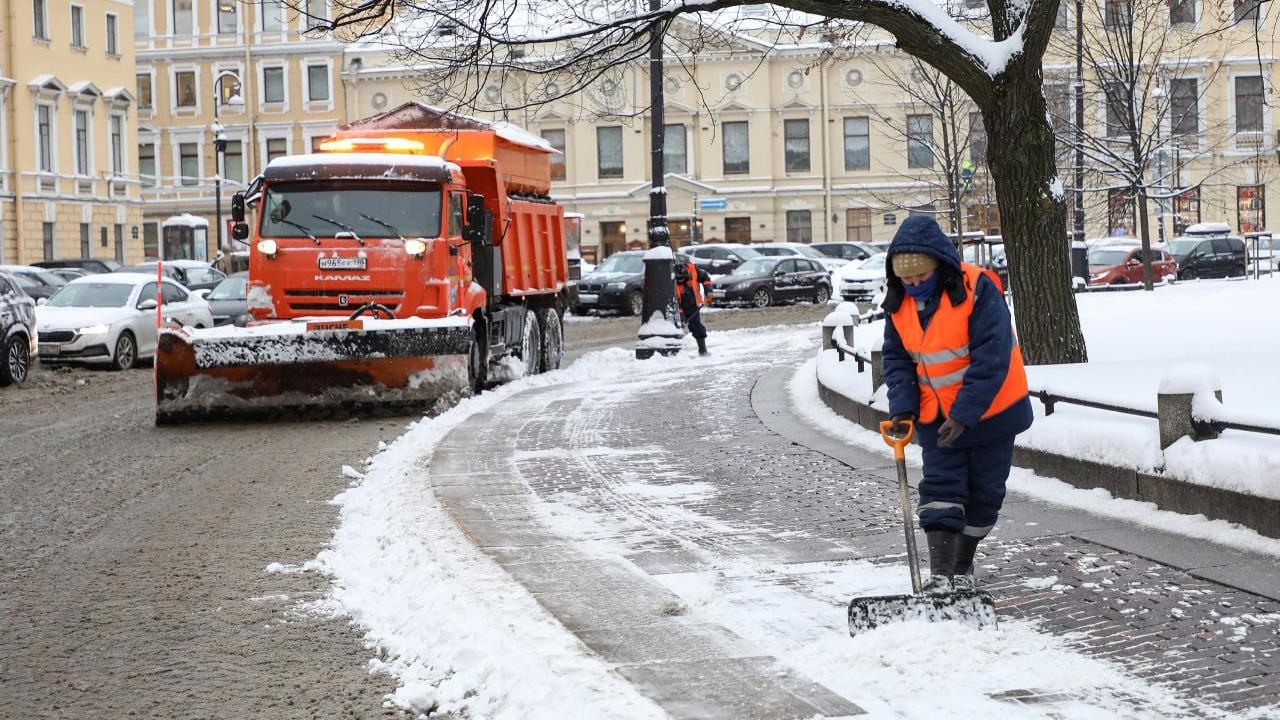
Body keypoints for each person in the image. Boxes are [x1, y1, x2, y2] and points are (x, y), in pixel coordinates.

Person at [880, 215, 1033, 592]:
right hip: (937, 418)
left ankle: (963, 566)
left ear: (940, 267)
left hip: (993, 414)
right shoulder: (899, 304)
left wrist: (965, 415)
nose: (914, 286)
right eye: (907, 280)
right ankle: (941, 578)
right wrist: (903, 408)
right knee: (940, 491)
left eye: (921, 278)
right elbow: (897, 358)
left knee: (984, 496)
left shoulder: (978, 289)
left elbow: (992, 357)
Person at [674, 259, 713, 356]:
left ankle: (703, 350)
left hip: (693, 305)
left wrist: (708, 292)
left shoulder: (694, 270)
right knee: (675, 329)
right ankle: (673, 354)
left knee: (697, 328)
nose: (681, 282)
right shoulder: (670, 281)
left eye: (683, 280)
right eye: (679, 281)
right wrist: (681, 316)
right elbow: (675, 303)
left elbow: (705, 279)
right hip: (679, 306)